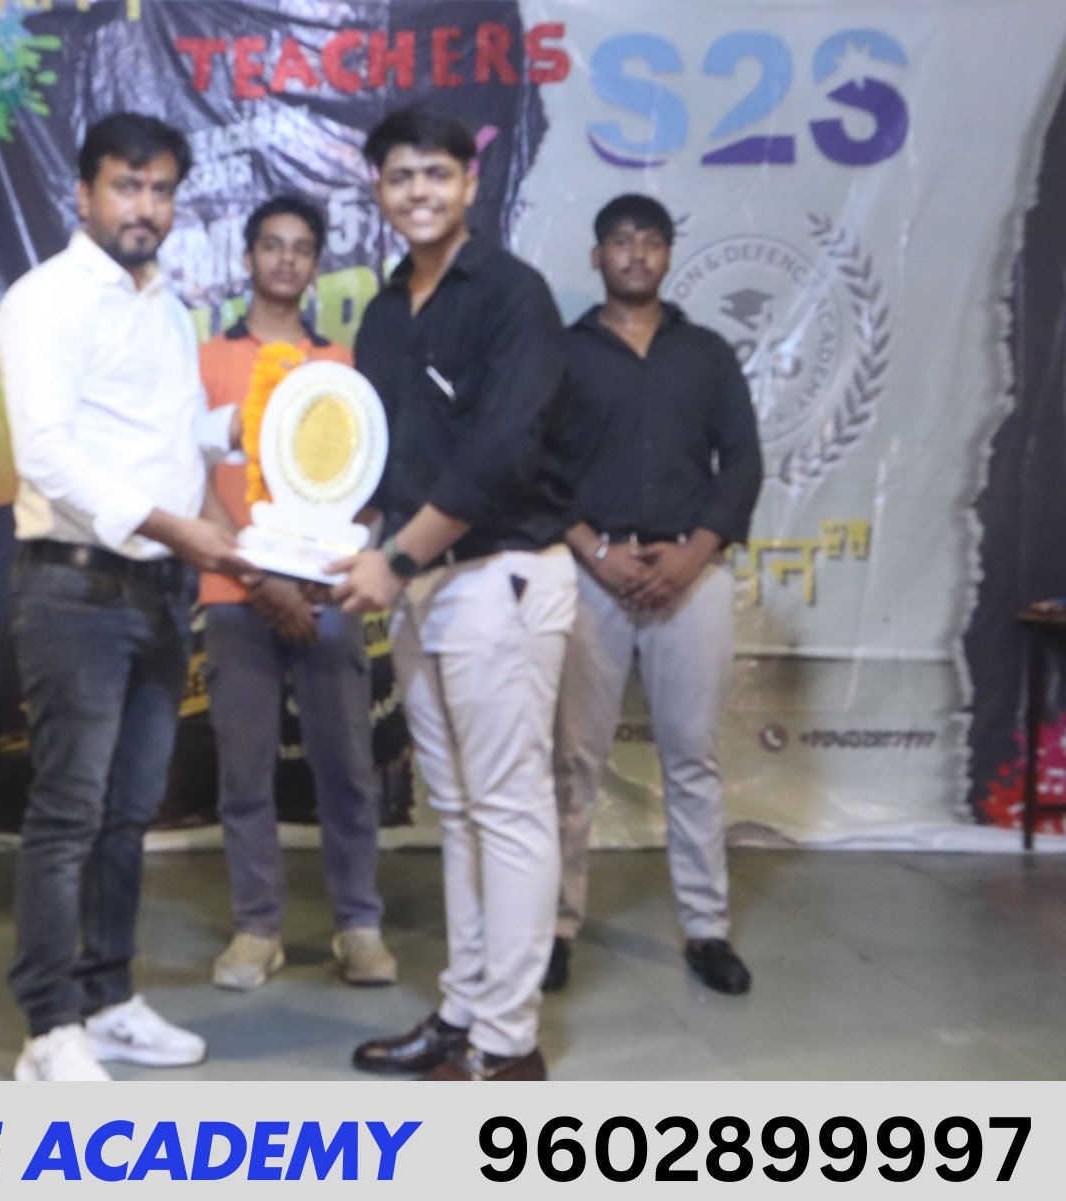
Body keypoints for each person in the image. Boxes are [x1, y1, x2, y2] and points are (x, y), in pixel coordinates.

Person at [0, 112, 253, 1081]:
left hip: (157, 587)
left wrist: (257, 420)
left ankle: (105, 995)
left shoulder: (167, 307)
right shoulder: (45, 300)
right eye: (125, 186)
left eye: (160, 189)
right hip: (74, 589)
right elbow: (51, 455)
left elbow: (181, 429)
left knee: (127, 809)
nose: (145, 207)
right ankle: (47, 1027)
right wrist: (177, 526)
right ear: (83, 194)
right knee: (67, 810)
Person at [332, 107, 575, 1081]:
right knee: (464, 813)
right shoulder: (387, 311)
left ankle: (508, 1043)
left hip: (500, 578)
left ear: (470, 184)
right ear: (379, 191)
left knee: (509, 809)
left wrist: (391, 561)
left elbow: (502, 454)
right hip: (426, 590)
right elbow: (376, 461)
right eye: (400, 177)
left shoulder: (511, 295)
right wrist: (349, 546)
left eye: (437, 173)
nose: (419, 192)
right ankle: (464, 1010)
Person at [549, 194, 763, 996]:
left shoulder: (706, 354)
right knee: (571, 762)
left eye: (650, 241)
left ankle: (706, 929)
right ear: (596, 256)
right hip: (587, 573)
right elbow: (534, 468)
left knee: (693, 758)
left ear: (669, 255)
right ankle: (555, 929)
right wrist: (595, 552)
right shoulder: (562, 355)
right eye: (619, 241)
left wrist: (694, 552)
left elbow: (741, 463)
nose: (635, 254)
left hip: (691, 577)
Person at [200, 196, 396, 992]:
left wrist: (322, 568)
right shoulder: (207, 360)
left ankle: (359, 923)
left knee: (348, 764)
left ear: (316, 264)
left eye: (301, 248)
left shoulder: (343, 366)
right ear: (247, 257)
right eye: (272, 246)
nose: (286, 260)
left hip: (328, 595)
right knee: (244, 770)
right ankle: (257, 929)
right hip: (232, 586)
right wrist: (259, 573)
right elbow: (188, 481)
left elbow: (371, 479)